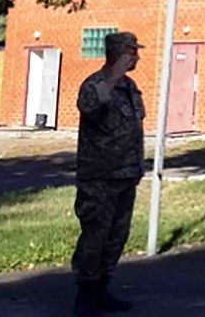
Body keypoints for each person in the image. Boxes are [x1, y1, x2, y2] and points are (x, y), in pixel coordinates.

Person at [72, 30, 145, 317]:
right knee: (95, 236)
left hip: (126, 174)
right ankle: (86, 294)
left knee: (117, 236)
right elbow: (88, 106)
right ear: (119, 53)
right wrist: (114, 74)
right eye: (132, 51)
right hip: (100, 177)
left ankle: (103, 288)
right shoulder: (95, 84)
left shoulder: (130, 87)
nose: (137, 56)